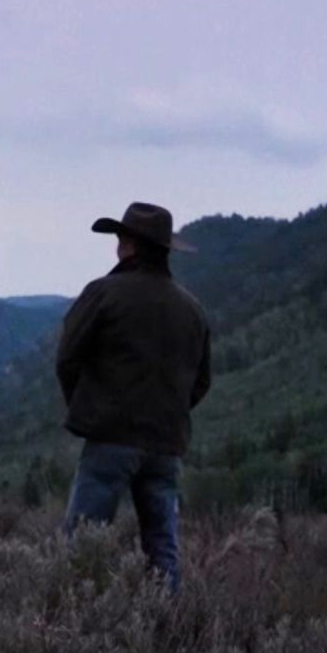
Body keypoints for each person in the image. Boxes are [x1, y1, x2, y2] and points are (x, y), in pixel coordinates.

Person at [56, 201, 212, 591]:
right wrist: (168, 412)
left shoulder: (103, 294)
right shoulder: (192, 310)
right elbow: (202, 380)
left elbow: (67, 358)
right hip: (166, 445)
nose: (117, 246)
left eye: (120, 237)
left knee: (81, 544)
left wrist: (89, 409)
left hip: (110, 440)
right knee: (163, 547)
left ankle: (69, 634)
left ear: (130, 244)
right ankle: (168, 634)